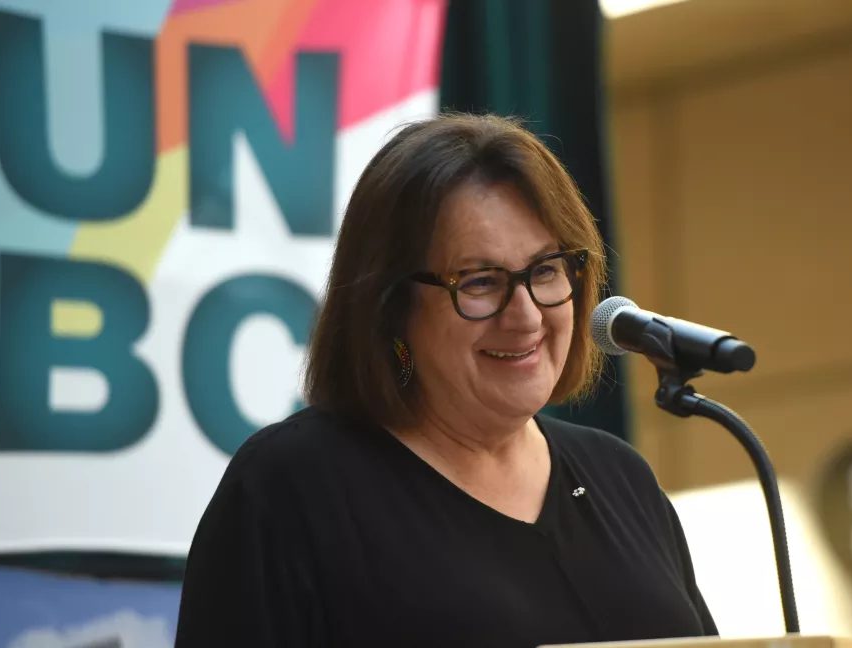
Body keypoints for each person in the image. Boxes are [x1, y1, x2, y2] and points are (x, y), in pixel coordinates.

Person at [174, 113, 717, 647]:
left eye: (546, 270)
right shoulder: (291, 486)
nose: (525, 315)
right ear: (390, 308)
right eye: (481, 282)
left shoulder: (621, 477)